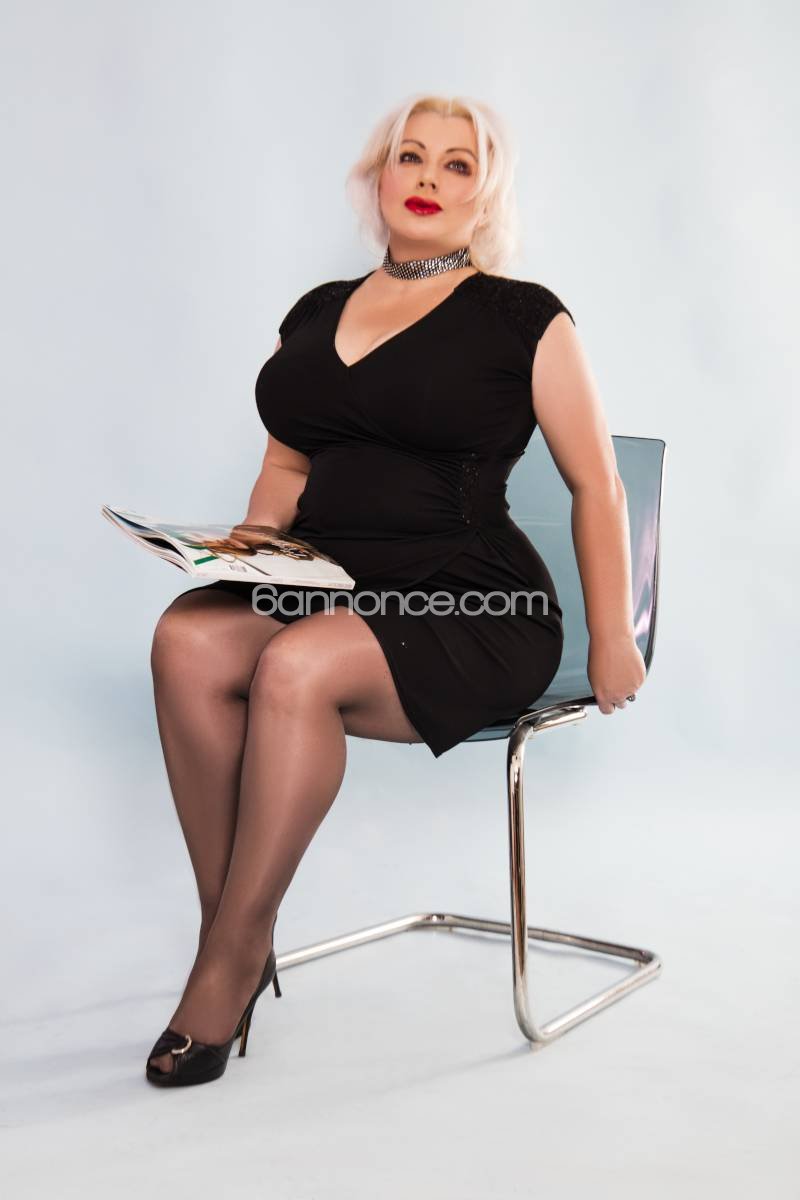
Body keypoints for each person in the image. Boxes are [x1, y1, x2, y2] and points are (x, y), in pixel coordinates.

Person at [144, 93, 646, 1086]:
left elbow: (596, 484)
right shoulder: (315, 313)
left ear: (485, 195)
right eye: (410, 157)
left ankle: (225, 965)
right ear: (378, 177)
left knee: (296, 667)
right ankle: (233, 931)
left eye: (458, 165)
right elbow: (287, 468)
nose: (427, 178)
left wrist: (614, 632)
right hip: (329, 585)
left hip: (470, 601)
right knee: (186, 639)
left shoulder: (523, 317)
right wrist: (242, 556)